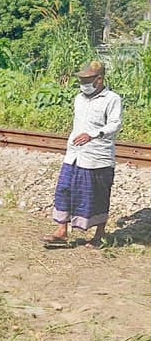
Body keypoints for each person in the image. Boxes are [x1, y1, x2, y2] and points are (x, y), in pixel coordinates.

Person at [43, 61, 122, 247]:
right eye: (81, 79)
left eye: (87, 79)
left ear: (99, 79)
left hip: (97, 158)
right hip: (74, 155)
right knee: (64, 190)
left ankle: (99, 236)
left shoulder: (112, 99)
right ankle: (61, 232)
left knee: (98, 195)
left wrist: (93, 135)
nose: (82, 83)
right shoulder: (79, 98)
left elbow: (115, 124)